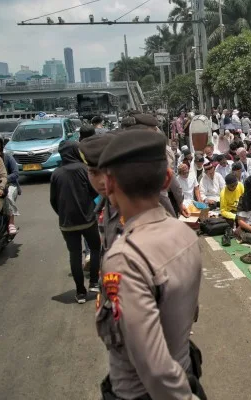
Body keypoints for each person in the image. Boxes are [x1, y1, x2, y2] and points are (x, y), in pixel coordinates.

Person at [96, 129, 204, 400]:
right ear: (167, 179)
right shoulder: (185, 234)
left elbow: (154, 369)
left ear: (108, 184)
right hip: (185, 372)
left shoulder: (124, 259)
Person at [49, 141, 102, 302]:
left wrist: (64, 214)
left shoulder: (56, 173)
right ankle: (94, 282)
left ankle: (80, 292)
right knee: (95, 248)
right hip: (87, 219)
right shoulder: (84, 169)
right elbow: (94, 192)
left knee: (75, 254)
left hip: (67, 222)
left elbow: (53, 200)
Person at [78, 133, 123, 252]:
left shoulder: (135, 209)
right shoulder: (104, 206)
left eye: (108, 171)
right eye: (94, 173)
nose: (103, 181)